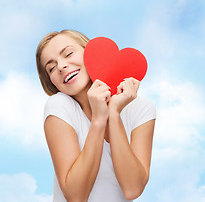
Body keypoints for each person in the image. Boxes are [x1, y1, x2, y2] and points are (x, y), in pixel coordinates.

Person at [36, 29, 156, 202]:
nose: (61, 66)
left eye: (68, 53)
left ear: (91, 52)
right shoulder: (59, 106)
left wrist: (113, 114)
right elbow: (76, 196)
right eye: (51, 68)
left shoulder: (141, 108)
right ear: (51, 81)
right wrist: (98, 120)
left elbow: (132, 189)